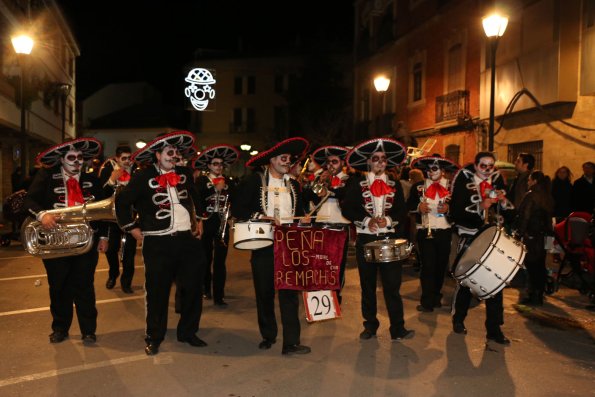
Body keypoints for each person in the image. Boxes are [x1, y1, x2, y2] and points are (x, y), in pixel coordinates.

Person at [115, 131, 207, 356]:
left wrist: (201, 219)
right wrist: (131, 228)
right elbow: (122, 202)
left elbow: (196, 196)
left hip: (186, 239)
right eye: (168, 151)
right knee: (157, 291)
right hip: (157, 241)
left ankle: (188, 332)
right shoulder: (143, 176)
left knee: (193, 288)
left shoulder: (185, 173)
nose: (173, 155)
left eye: (175, 151)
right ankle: (154, 336)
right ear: (157, 155)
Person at [22, 137, 108, 344]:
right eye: (71, 157)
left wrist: (103, 236)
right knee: (59, 286)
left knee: (85, 286)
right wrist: (43, 215)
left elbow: (102, 211)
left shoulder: (93, 180)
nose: (77, 161)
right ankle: (60, 328)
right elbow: (28, 200)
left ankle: (88, 330)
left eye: (80, 157)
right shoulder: (46, 177)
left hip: (85, 241)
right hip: (55, 243)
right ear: (62, 159)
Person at [231, 137, 312, 355]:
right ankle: (268, 335)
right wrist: (261, 216)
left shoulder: (294, 185)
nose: (287, 162)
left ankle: (291, 342)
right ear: (272, 160)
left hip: (289, 244)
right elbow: (237, 207)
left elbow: (301, 210)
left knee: (289, 294)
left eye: (289, 159)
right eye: (283, 158)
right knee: (264, 292)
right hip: (263, 243)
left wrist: (304, 219)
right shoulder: (254, 181)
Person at [341, 138, 414, 342]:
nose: (381, 163)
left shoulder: (395, 184)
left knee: (392, 286)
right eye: (376, 159)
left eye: (383, 159)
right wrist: (367, 219)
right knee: (368, 286)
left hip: (389, 239)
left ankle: (397, 328)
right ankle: (370, 326)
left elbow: (402, 209)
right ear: (369, 162)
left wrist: (389, 220)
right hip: (366, 238)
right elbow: (347, 208)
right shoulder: (357, 183)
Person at [449, 151, 515, 345]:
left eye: (490, 166)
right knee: (466, 282)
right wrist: (481, 205)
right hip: (469, 236)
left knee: (496, 283)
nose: (487, 170)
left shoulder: (496, 183)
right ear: (476, 165)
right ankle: (458, 319)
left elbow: (509, 214)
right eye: (483, 165)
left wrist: (502, 202)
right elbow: (456, 211)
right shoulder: (464, 183)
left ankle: (494, 329)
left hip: (493, 238)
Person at [407, 156, 459, 312]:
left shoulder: (451, 187)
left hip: (444, 232)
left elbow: (459, 208)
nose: (430, 172)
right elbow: (408, 205)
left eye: (434, 168)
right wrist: (418, 206)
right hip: (425, 231)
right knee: (427, 266)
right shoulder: (418, 187)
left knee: (440, 266)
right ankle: (427, 301)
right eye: (428, 169)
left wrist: (449, 209)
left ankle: (436, 296)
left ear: (442, 170)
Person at [193, 144, 240, 306]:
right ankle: (206, 288)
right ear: (209, 166)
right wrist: (214, 188)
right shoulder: (201, 180)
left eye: (221, 164)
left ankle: (219, 295)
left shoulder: (229, 182)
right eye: (215, 164)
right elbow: (197, 199)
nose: (219, 167)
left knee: (220, 261)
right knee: (205, 258)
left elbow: (235, 200)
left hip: (222, 224)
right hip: (206, 223)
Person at [309, 145, 351, 303]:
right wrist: (319, 183)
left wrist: (330, 190)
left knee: (337, 265)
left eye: (334, 161)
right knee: (320, 263)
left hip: (339, 226)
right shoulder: (322, 178)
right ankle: (322, 296)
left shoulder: (348, 180)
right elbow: (312, 197)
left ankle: (335, 297)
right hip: (320, 225)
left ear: (342, 163)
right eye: (328, 162)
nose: (330, 165)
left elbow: (344, 194)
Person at [98, 145, 137, 293]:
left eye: (129, 158)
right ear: (117, 158)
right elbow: (101, 193)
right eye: (124, 158)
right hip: (111, 218)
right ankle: (113, 274)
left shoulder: (136, 170)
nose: (127, 161)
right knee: (111, 250)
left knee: (129, 253)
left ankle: (126, 282)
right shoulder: (107, 168)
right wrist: (112, 180)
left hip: (130, 217)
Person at [513, 171, 554, 306]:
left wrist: (520, 233)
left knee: (532, 266)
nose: (527, 182)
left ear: (535, 181)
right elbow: (549, 219)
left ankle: (534, 294)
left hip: (532, 235)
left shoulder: (531, 196)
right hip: (544, 236)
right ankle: (539, 294)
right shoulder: (547, 195)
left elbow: (525, 216)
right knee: (540, 265)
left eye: (529, 180)